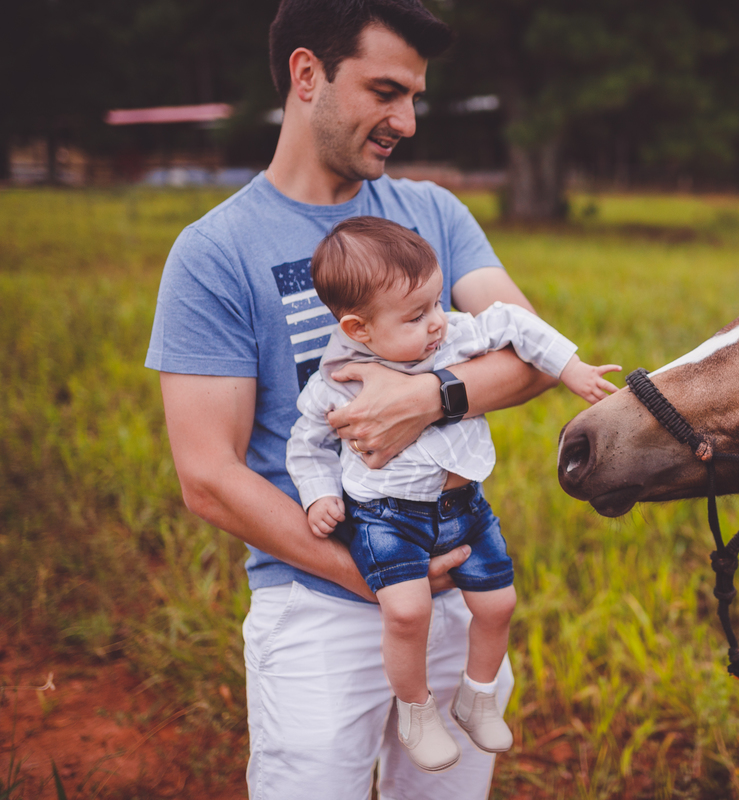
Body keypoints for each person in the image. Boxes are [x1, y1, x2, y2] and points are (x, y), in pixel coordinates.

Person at [145, 0, 562, 796]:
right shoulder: (214, 252)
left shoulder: (432, 213)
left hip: (452, 599)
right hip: (316, 610)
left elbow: (532, 354)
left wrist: (427, 399)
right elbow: (207, 474)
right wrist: (371, 575)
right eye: (384, 91)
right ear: (308, 75)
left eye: (414, 98)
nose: (405, 119)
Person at [286, 217, 618, 773]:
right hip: (386, 519)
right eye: (417, 316)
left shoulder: (451, 334)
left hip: (465, 509)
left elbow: (514, 322)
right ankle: (417, 711)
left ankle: (477, 695)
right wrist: (319, 496)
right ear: (359, 327)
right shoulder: (337, 381)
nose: (438, 323)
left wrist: (571, 369)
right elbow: (306, 445)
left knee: (499, 603)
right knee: (408, 612)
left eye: (438, 303)